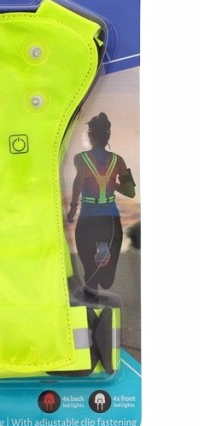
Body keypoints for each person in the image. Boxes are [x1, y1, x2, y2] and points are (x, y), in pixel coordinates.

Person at [67, 113, 136, 296]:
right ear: (108, 136)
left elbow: (79, 180)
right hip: (110, 221)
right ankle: (104, 251)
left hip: (88, 220)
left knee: (90, 274)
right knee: (107, 282)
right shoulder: (118, 161)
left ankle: (92, 311)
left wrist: (73, 208)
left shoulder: (80, 158)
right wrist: (113, 181)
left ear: (90, 136)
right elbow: (131, 192)